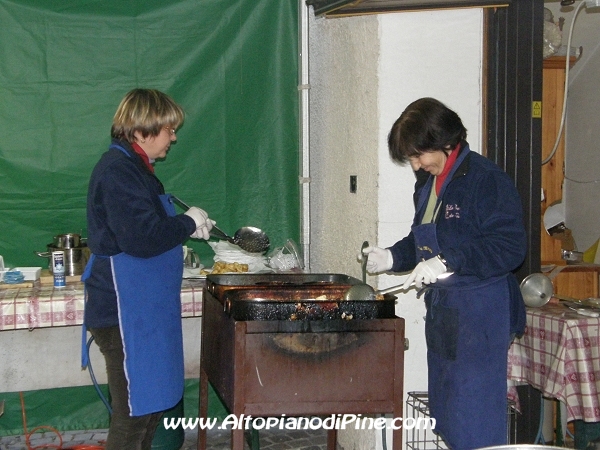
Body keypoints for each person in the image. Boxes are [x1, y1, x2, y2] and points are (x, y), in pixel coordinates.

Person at [364, 97, 527, 450]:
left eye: (419, 154)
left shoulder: (485, 180)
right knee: (449, 414)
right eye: (411, 157)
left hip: (480, 313)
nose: (416, 163)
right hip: (445, 313)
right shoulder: (427, 182)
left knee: (476, 418)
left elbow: (510, 247)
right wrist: (392, 257)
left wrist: (448, 261)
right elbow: (421, 238)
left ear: (446, 140)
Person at [81, 88, 214, 449]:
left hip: (143, 313)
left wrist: (185, 227)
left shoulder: (136, 170)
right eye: (168, 129)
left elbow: (149, 231)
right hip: (125, 315)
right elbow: (142, 239)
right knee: (134, 416)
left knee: (150, 411)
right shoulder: (117, 172)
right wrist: (186, 222)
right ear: (141, 132)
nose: (174, 136)